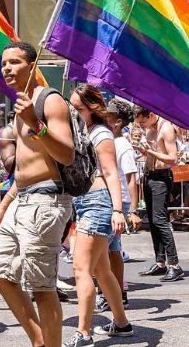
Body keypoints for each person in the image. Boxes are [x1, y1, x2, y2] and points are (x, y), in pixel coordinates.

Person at [0, 41, 74, 347]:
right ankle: (41, 341)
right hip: (21, 200)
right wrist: (3, 206)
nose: (7, 68)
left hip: (45, 201)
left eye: (15, 62)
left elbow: (66, 155)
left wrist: (35, 125)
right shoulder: (22, 104)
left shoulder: (49, 101)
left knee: (41, 287)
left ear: (32, 65)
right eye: (4, 63)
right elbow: (22, 167)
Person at [61, 85, 132, 346]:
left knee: (81, 269)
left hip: (98, 204)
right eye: (72, 107)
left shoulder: (101, 134)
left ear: (93, 109)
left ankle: (84, 332)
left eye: (78, 108)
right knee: (102, 271)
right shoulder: (83, 131)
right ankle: (122, 324)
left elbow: (112, 173)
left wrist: (118, 210)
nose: (74, 112)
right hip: (86, 203)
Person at [95, 99, 141, 313]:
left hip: (117, 201)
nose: (105, 117)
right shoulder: (110, 141)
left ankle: (107, 295)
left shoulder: (123, 145)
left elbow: (132, 179)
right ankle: (119, 294)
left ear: (118, 121)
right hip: (113, 200)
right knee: (113, 250)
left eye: (109, 115)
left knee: (101, 251)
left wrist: (132, 210)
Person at [133, 106, 184, 282]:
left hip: (161, 177)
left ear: (151, 115)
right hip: (150, 176)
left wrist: (150, 151)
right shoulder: (150, 130)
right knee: (153, 221)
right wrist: (141, 152)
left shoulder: (166, 128)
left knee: (160, 220)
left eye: (143, 121)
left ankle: (175, 265)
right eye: (139, 123)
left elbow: (173, 158)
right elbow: (149, 156)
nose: (142, 125)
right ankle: (160, 262)